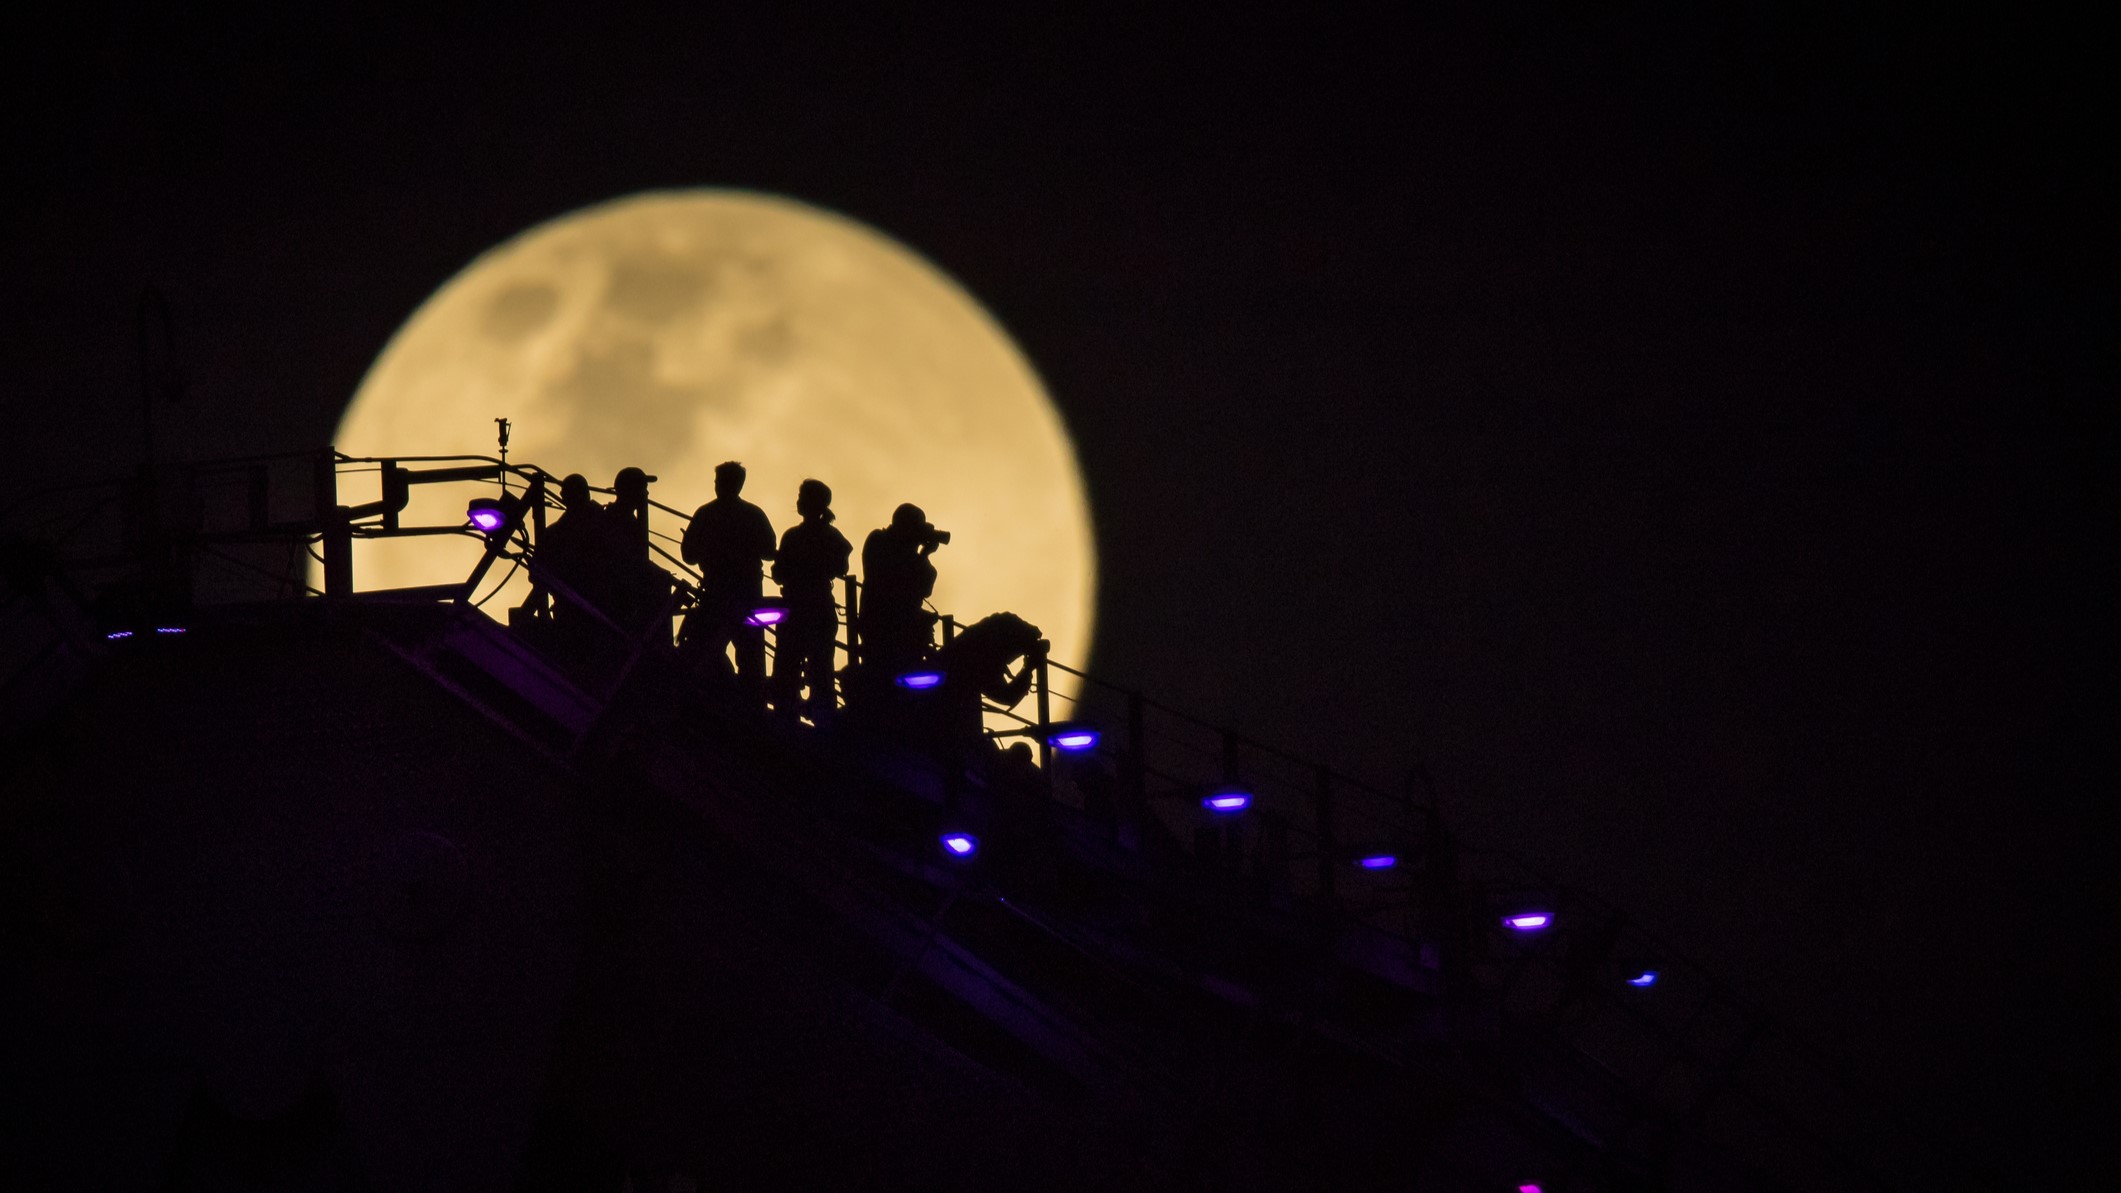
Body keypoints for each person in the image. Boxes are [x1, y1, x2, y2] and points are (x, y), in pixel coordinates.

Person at [680, 461, 776, 692]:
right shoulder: (754, 514)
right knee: (751, 656)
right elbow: (770, 551)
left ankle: (712, 694)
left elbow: (688, 555)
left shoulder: (705, 514)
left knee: (704, 649)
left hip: (716, 594)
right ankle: (751, 704)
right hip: (748, 595)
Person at [769, 479, 852, 720]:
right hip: (820, 606)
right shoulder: (832, 536)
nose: (797, 501)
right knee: (821, 665)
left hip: (796, 606)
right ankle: (823, 715)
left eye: (801, 497)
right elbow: (841, 567)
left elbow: (778, 573)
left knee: (788, 661)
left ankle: (786, 712)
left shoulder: (793, 536)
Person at [858, 502, 944, 679]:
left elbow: (925, 588)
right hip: (884, 627)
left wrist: (922, 554)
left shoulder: (902, 551)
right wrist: (922, 554)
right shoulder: (879, 540)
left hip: (894, 626)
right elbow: (896, 581)